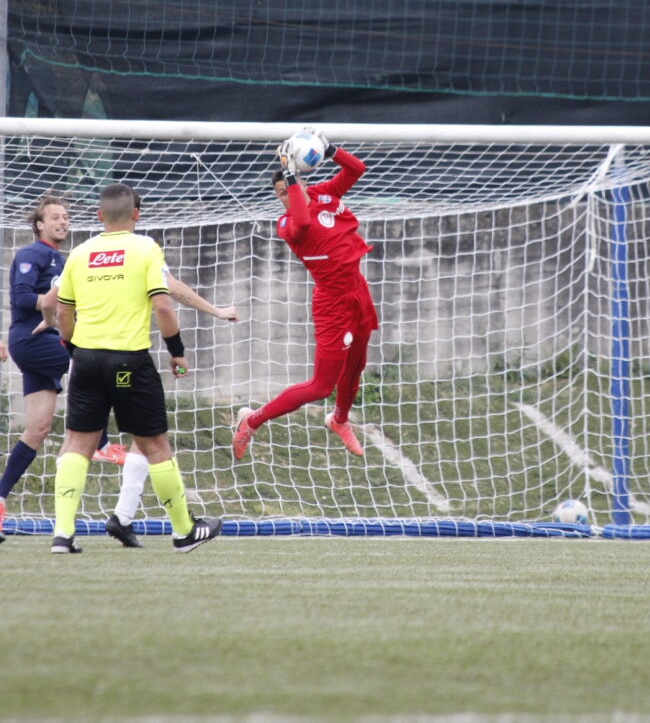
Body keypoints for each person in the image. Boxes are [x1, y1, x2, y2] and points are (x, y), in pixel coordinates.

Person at [51, 182, 222, 554]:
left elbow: (62, 312)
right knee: (155, 445)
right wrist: (177, 352)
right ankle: (184, 532)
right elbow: (163, 306)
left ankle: (62, 535)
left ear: (99, 216)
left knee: (77, 444)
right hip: (129, 360)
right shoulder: (146, 248)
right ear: (136, 214)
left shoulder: (80, 253)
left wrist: (75, 348)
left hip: (87, 360)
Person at [232, 130, 377, 461]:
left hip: (358, 291)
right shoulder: (287, 224)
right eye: (280, 193)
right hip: (332, 304)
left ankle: (339, 420)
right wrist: (289, 173)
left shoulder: (323, 193)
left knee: (357, 365)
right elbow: (302, 219)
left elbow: (357, 169)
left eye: (289, 189)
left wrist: (330, 149)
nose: (285, 196)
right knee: (321, 386)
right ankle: (250, 421)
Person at [0, 195, 125, 544]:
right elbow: (23, 298)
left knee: (37, 429)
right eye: (54, 217)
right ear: (39, 224)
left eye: (66, 217)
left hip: (48, 341)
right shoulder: (32, 254)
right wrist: (53, 299)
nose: (62, 221)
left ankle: (0, 498)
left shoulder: (67, 259)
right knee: (95, 366)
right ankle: (101, 442)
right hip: (33, 339)